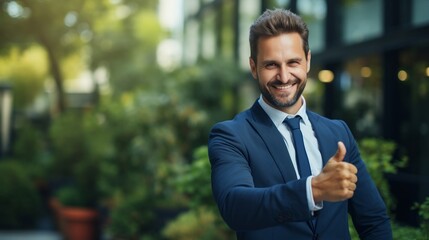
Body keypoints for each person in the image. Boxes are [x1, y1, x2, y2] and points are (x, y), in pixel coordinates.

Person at [208, 8, 392, 240]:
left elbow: (373, 221)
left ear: (308, 61)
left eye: (293, 62)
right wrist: (314, 190)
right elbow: (235, 206)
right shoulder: (231, 135)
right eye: (271, 65)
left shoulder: (338, 132)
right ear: (254, 68)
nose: (284, 77)